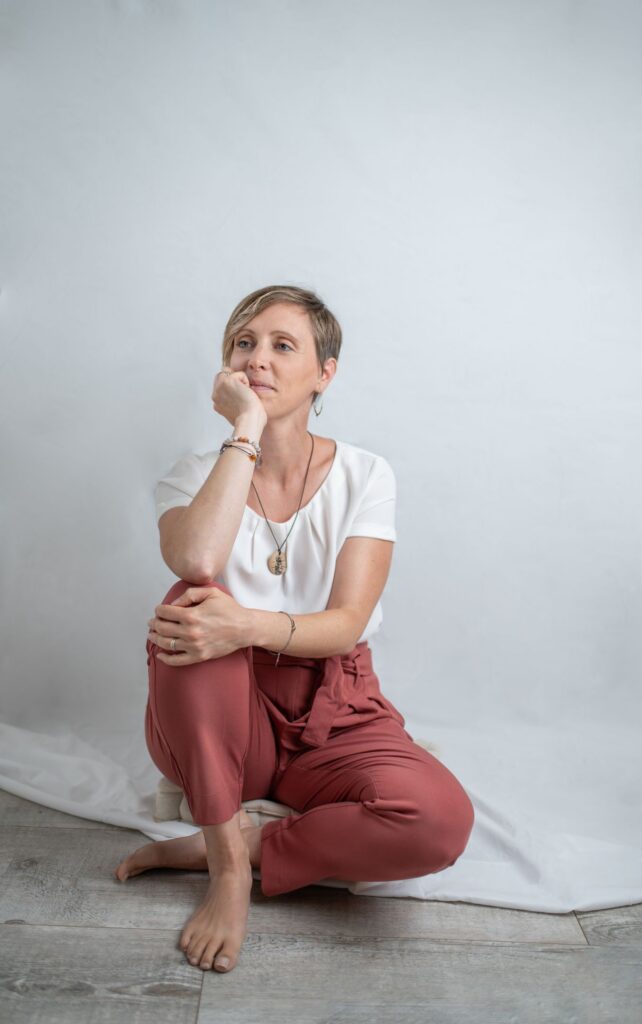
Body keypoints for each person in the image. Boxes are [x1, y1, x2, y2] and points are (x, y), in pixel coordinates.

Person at [113, 284, 475, 974]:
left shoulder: (366, 474)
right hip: (217, 714)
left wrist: (246, 624)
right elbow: (196, 559)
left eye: (284, 346)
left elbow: (345, 625)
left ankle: (242, 846)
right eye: (244, 343)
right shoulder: (192, 476)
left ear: (325, 373)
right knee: (194, 599)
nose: (259, 359)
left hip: (334, 710)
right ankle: (226, 869)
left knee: (439, 821)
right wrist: (245, 429)